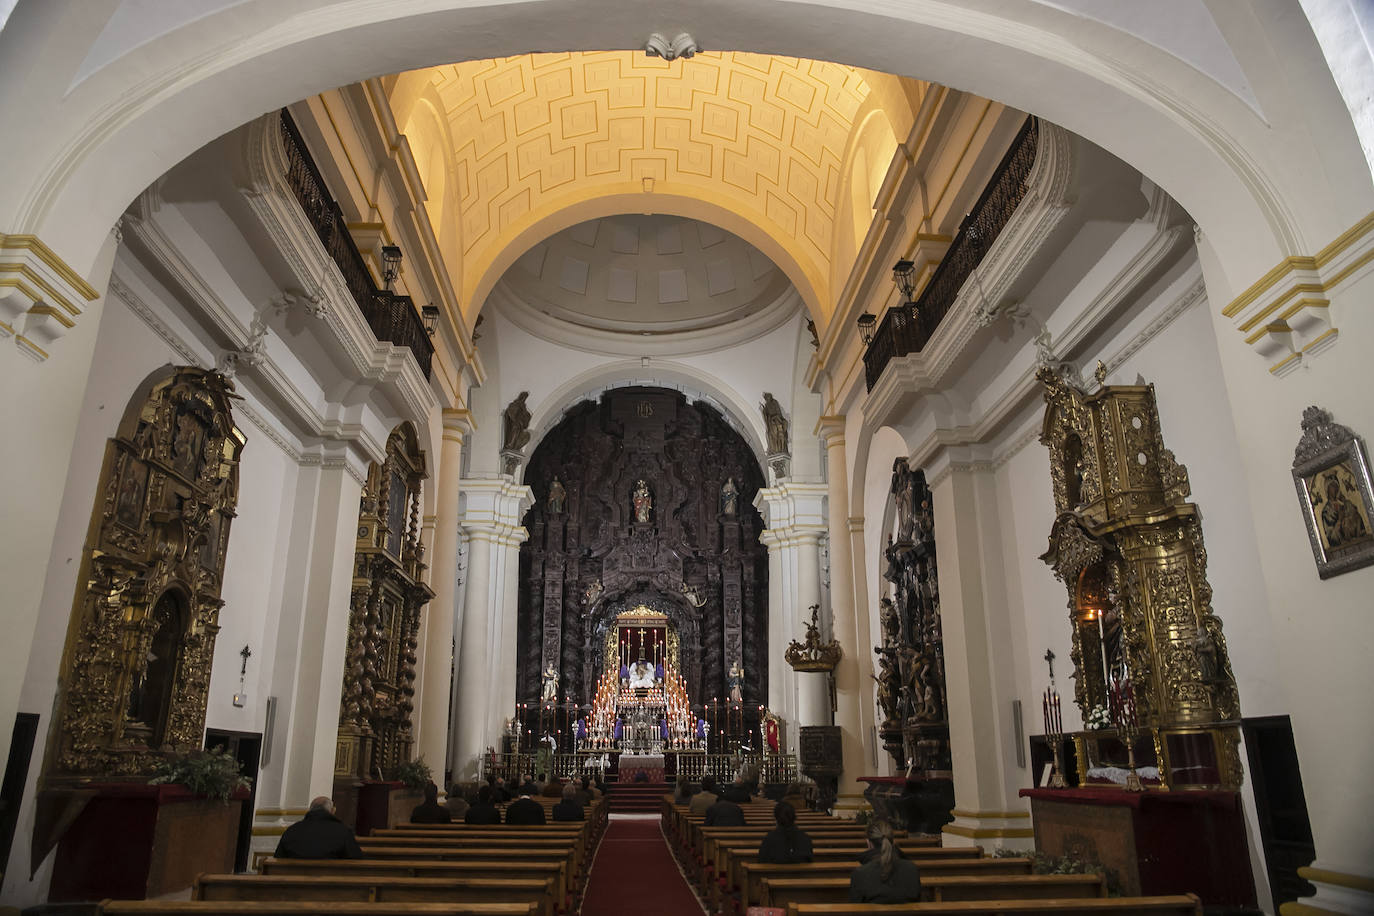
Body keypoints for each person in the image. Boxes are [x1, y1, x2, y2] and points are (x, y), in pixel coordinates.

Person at [849, 820, 922, 904]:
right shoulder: (912, 869)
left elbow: (855, 908)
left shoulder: (860, 874)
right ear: (893, 841)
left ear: (869, 843)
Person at [274, 796, 364, 859]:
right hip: (331, 883)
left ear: (310, 810)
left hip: (291, 884)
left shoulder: (292, 830)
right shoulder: (343, 832)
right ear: (332, 811)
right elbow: (355, 858)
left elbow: (278, 857)